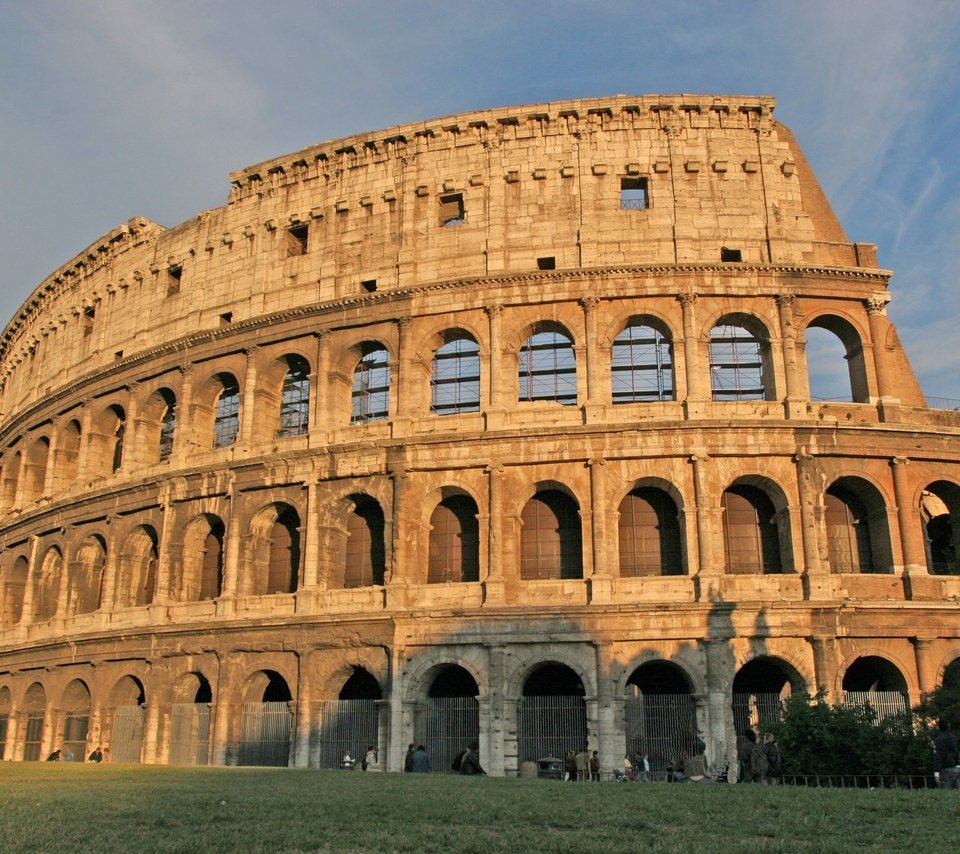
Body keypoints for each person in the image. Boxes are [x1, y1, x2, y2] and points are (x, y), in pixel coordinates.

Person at [933, 719, 960, 789]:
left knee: (945, 793)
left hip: (946, 769)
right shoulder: (955, 738)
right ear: (949, 726)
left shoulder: (938, 740)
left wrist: (936, 773)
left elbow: (938, 757)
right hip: (957, 767)